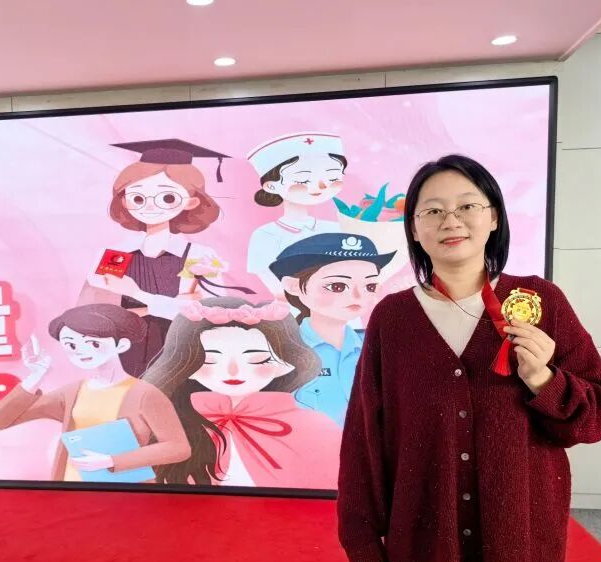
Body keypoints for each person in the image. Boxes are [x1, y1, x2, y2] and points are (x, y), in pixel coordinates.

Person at [336, 154, 601, 562]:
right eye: (433, 211)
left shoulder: (541, 302)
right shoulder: (392, 319)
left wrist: (544, 379)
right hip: (424, 538)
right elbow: (364, 434)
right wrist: (362, 536)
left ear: (493, 217)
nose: (451, 220)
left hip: (520, 539)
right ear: (415, 230)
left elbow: (599, 413)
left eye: (467, 206)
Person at [143, 297, 341, 488]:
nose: (233, 371)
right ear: (187, 365)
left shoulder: (315, 427)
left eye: (257, 359)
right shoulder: (168, 425)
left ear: (285, 364)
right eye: (210, 360)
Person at [0, 304, 190, 482]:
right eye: (71, 345)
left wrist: (111, 461)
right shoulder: (72, 393)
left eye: (93, 343)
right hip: (72, 489)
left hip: (125, 494)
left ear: (122, 345)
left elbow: (178, 447)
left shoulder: (145, 393)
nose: (81, 351)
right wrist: (37, 375)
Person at [81, 139, 233, 377]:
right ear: (124, 200)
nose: (150, 207)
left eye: (168, 198)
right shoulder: (117, 253)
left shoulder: (199, 255)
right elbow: (98, 308)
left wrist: (139, 296)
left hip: (183, 348)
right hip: (124, 349)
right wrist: (179, 302)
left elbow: (211, 312)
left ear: (191, 201)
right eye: (138, 198)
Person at [268, 232, 394, 427]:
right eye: (337, 286)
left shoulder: (380, 348)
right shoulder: (278, 352)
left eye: (369, 286)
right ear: (294, 286)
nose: (357, 296)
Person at [246, 132, 346, 300]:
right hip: (294, 308)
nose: (322, 186)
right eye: (303, 180)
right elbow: (271, 281)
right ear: (271, 186)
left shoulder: (336, 229)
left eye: (332, 177)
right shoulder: (266, 235)